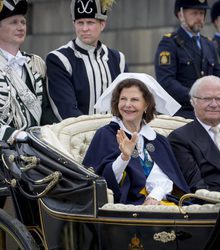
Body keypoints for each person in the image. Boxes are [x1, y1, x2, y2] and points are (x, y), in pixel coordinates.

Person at [83, 73, 190, 205]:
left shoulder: (158, 140)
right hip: (126, 206)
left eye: (134, 100)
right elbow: (101, 182)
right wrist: (124, 158)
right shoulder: (106, 134)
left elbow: (166, 176)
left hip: (161, 203)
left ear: (146, 105)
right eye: (123, 99)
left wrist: (154, 196)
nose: (127, 105)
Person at [0, 0, 58, 207]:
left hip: (34, 153)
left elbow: (46, 109)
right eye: (13, 22)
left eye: (23, 22)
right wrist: (14, 135)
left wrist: (51, 134)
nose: (21, 27)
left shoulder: (35, 62)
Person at [46, 0, 128, 120]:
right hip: (76, 135)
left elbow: (127, 100)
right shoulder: (59, 59)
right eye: (80, 23)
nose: (85, 28)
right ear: (74, 24)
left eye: (90, 22)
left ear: (102, 24)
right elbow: (66, 109)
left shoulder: (118, 59)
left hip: (116, 134)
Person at [168, 75, 220, 193]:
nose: (214, 104)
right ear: (193, 102)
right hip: (213, 204)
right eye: (207, 99)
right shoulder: (180, 138)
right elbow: (196, 186)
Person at [154, 0, 220, 119]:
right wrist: (197, 96)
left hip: (210, 110)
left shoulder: (208, 44)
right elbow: (166, 81)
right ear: (180, 15)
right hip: (182, 112)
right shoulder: (169, 43)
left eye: (201, 13)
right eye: (194, 13)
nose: (199, 18)